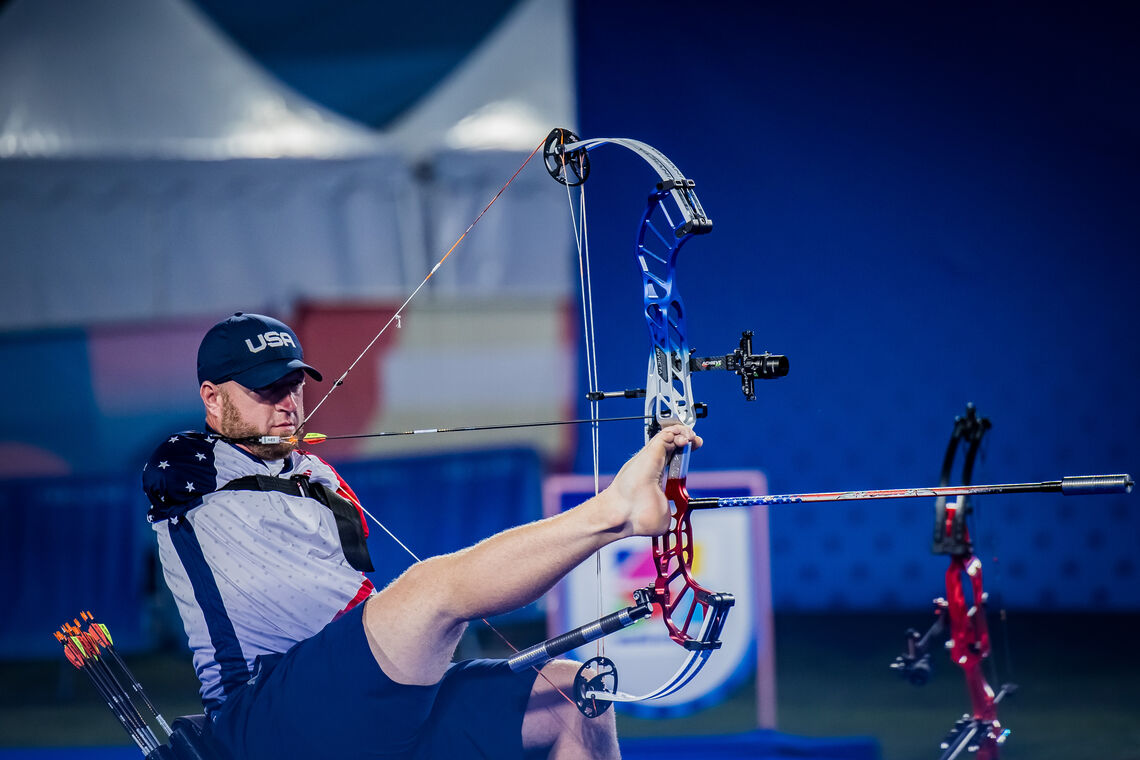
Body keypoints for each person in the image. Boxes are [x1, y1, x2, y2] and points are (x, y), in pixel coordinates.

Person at [142, 312, 701, 760]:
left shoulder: (316, 475)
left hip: (362, 699)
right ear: (212, 399)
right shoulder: (191, 466)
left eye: (293, 386)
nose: (288, 404)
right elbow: (172, 472)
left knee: (576, 697)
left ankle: (618, 513)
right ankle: (615, 513)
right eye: (267, 390)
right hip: (263, 716)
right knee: (430, 589)